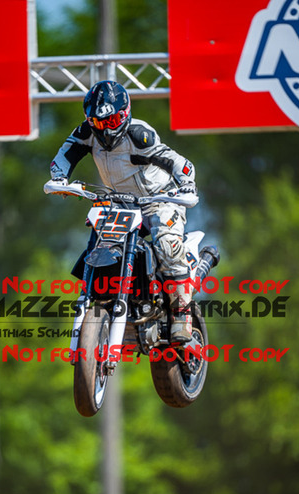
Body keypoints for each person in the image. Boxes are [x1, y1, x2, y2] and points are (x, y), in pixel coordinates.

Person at [48, 80, 198, 342]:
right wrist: (59, 178)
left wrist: (186, 184)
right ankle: (107, 299)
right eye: (99, 122)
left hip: (158, 200)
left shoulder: (140, 136)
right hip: (120, 203)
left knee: (165, 243)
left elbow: (179, 162)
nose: (106, 129)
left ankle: (181, 312)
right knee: (101, 245)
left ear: (125, 113)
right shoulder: (86, 133)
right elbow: (64, 155)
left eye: (113, 120)